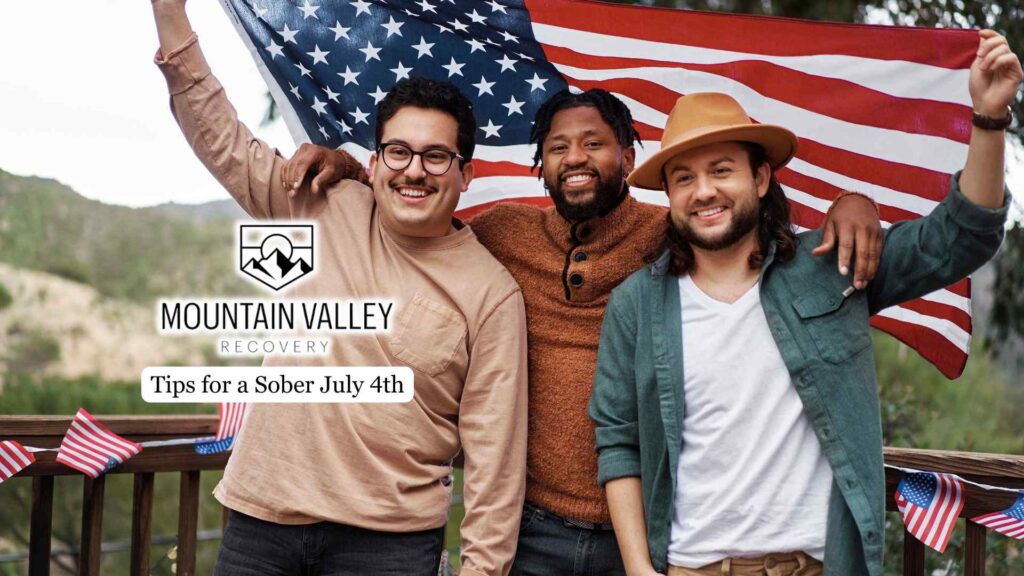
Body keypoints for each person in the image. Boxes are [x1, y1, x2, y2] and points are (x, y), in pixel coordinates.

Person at [288, 86, 882, 573]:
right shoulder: (500, 233)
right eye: (558, 147)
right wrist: (348, 166)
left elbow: (747, 228)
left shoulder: (670, 232)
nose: (575, 157)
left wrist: (850, 202)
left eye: (595, 144)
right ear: (539, 165)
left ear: (628, 158)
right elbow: (421, 198)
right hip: (531, 531)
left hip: (645, 535)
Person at [589, 29, 1019, 576]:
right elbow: (618, 440)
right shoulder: (636, 305)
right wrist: (639, 570)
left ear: (761, 176)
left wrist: (987, 119)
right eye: (684, 178)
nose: (704, 192)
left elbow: (962, 236)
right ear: (670, 195)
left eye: (721, 170)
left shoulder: (832, 265)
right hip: (690, 568)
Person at [149, 2, 528, 575]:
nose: (414, 170)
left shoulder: (492, 292)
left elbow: (496, 461)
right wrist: (169, 14)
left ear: (464, 173)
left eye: (436, 156)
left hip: (389, 548)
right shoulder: (319, 201)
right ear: (374, 163)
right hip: (260, 529)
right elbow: (219, 136)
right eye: (398, 152)